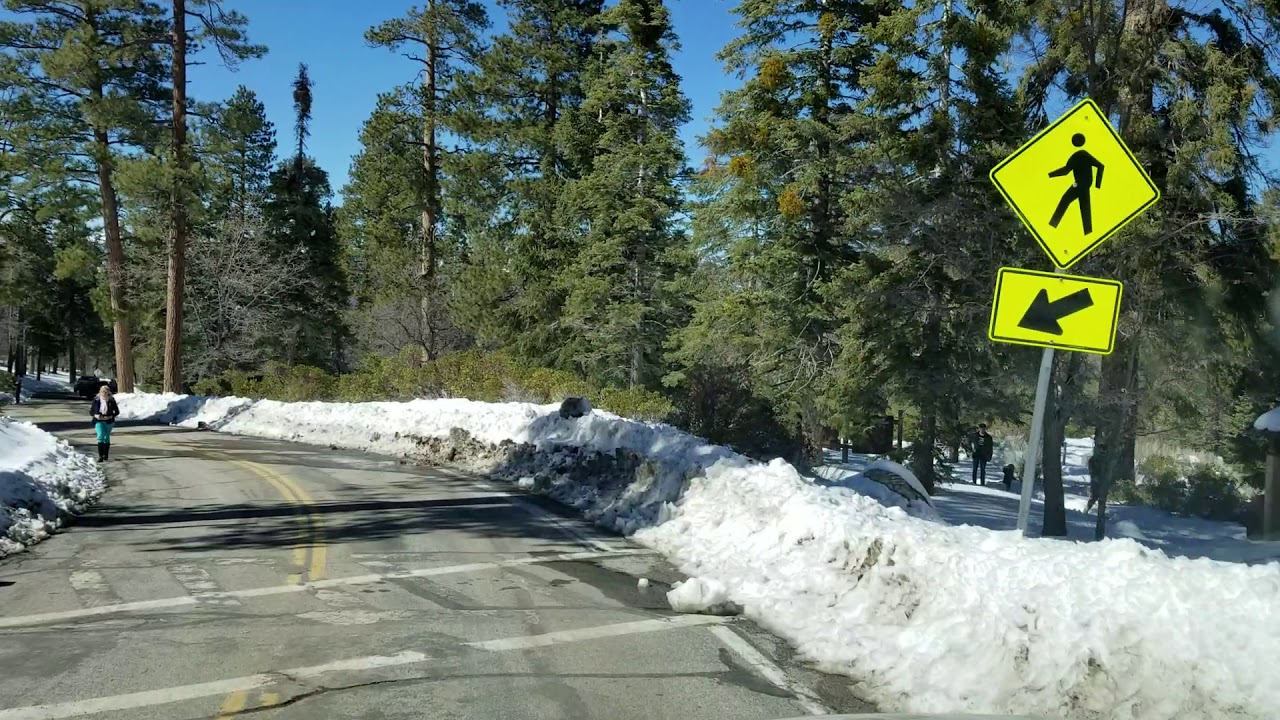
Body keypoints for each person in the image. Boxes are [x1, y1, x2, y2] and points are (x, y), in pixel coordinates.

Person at [90, 385, 119, 462]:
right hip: (99, 420)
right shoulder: (96, 400)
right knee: (100, 436)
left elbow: (117, 411)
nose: (104, 393)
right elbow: (91, 411)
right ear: (100, 392)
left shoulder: (111, 400)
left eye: (106, 392)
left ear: (108, 392)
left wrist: (110, 416)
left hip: (108, 421)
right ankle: (100, 456)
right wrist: (96, 415)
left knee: (106, 437)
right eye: (102, 391)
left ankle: (105, 454)